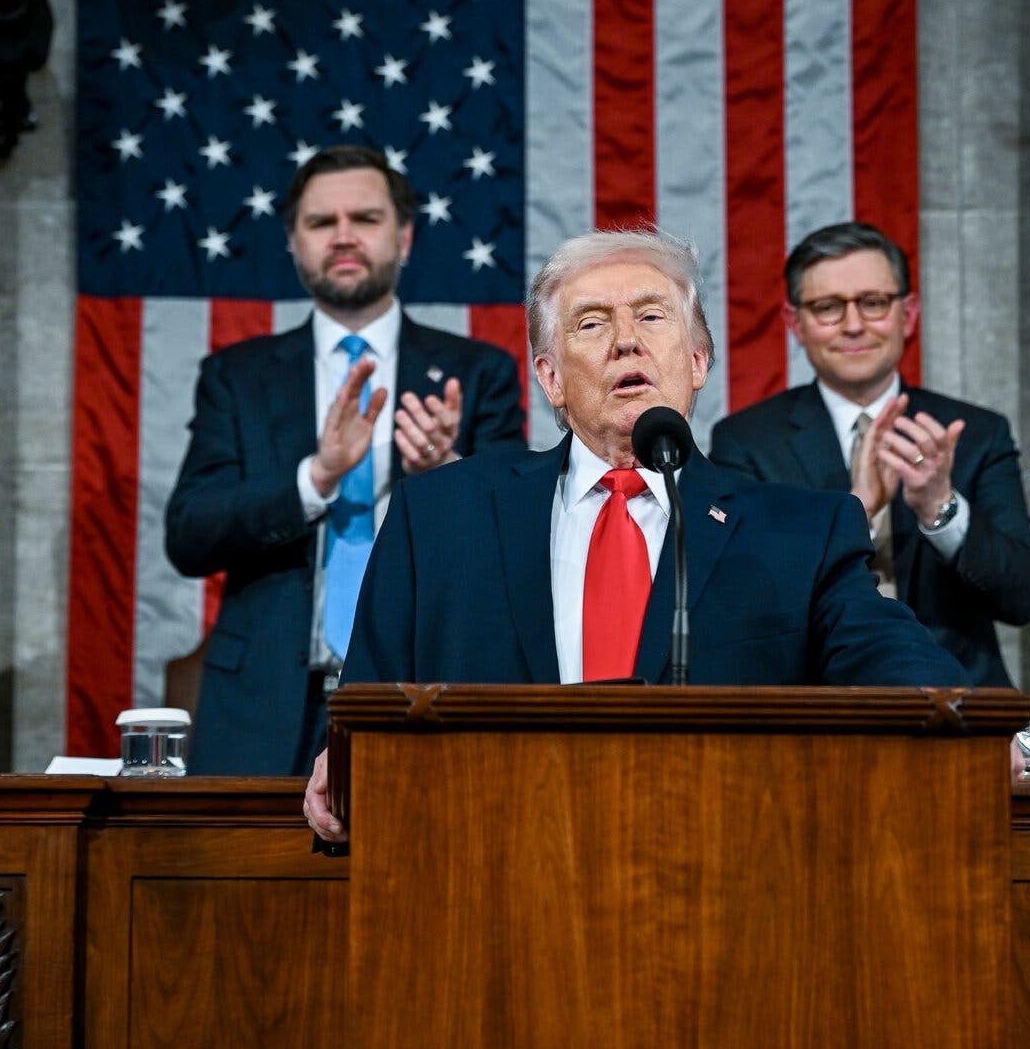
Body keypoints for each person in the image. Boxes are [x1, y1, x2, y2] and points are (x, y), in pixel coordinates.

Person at [304, 225, 965, 841]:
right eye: (592, 323)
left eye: (651, 317)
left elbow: (891, 658)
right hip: (491, 859)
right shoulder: (440, 515)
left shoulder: (799, 530)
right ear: (550, 378)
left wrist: (985, 733)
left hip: (720, 866)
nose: (626, 341)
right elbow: (370, 701)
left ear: (698, 361)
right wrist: (345, 758)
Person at [165, 143, 526, 774]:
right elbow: (190, 535)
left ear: (404, 238)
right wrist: (316, 478)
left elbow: (519, 543)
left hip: (422, 693)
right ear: (293, 243)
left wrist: (447, 475)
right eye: (320, 222)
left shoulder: (476, 373)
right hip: (261, 705)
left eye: (365, 218)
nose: (343, 236)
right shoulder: (237, 377)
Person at [709, 221, 1030, 686]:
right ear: (795, 323)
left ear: (908, 314)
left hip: (959, 700)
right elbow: (742, 601)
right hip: (817, 703)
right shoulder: (746, 441)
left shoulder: (976, 433)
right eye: (828, 307)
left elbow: (1022, 599)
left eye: (872, 303)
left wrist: (940, 508)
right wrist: (857, 510)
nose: (853, 325)